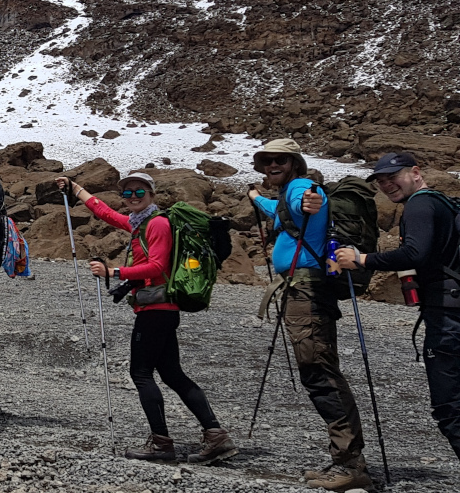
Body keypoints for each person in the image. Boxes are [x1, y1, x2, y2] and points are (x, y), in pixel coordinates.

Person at [59, 173, 238, 464]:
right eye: (127, 193)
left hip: (156, 311)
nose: (132, 197)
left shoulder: (157, 224)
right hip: (160, 311)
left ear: (151, 193)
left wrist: (112, 272)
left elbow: (156, 266)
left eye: (138, 191)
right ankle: (216, 436)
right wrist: (75, 188)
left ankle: (161, 444)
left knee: (141, 374)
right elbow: (104, 212)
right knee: (172, 375)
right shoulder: (138, 223)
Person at [248, 138, 370, 491]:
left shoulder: (300, 187)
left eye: (280, 160)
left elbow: (305, 202)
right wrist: (257, 199)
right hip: (302, 292)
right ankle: (346, 460)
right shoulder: (285, 193)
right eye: (267, 160)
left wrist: (308, 201)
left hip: (305, 295)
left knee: (319, 372)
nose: (272, 165)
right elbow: (283, 211)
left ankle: (350, 464)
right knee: (318, 370)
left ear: (295, 163)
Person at [334, 152, 460, 461]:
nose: (388, 185)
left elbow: (414, 254)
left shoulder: (419, 204)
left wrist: (361, 260)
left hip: (448, 317)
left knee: (450, 409)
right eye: (381, 181)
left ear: (416, 172)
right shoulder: (445, 203)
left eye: (394, 177)